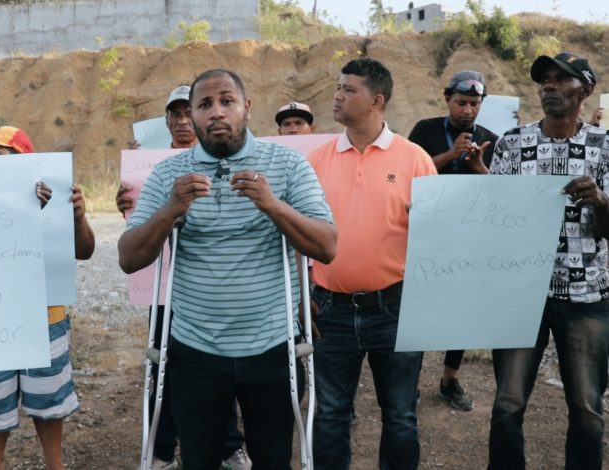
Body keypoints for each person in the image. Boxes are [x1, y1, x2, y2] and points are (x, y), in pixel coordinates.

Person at [118, 69, 336, 469]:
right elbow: (129, 257)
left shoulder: (288, 165)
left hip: (272, 346)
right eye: (204, 105)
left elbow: (326, 246)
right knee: (200, 460)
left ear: (246, 108)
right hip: (194, 350)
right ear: (194, 116)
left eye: (226, 101)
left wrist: (273, 205)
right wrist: (171, 209)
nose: (216, 113)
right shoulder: (169, 173)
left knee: (272, 460)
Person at [308, 58, 437, 470]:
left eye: (349, 89)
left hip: (396, 309)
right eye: (338, 86)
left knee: (400, 415)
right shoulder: (315, 161)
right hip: (328, 309)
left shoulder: (415, 160)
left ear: (376, 100)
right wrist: (302, 295)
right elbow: (297, 236)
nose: (338, 95)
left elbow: (435, 240)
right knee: (329, 415)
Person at [118, 85, 252, 470]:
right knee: (162, 365)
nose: (180, 121)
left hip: (212, 288)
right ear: (167, 122)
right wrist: (123, 204)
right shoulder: (148, 165)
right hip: (163, 287)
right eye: (173, 115)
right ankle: (161, 448)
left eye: (184, 113)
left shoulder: (222, 159)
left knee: (216, 362)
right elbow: (136, 223)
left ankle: (229, 444)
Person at [487, 52, 609, 470]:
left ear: (586, 89)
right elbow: (492, 217)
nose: (549, 86)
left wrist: (601, 201)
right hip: (522, 294)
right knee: (507, 403)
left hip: (586, 294)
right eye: (545, 80)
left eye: (562, 79)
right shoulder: (512, 143)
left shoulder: (605, 147)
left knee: (587, 409)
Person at [0, 125, 96, 470]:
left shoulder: (56, 194)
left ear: (23, 160)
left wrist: (77, 216)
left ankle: (55, 465)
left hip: (46, 318)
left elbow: (85, 251)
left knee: (49, 401)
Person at [407, 70, 499, 412]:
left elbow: (502, 197)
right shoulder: (424, 131)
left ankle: (449, 380)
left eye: (474, 104)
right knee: (417, 309)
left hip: (470, 238)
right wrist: (449, 156)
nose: (467, 111)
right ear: (447, 99)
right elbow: (408, 176)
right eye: (461, 103)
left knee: (462, 310)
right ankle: (411, 383)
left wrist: (479, 167)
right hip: (426, 233)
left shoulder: (493, 139)